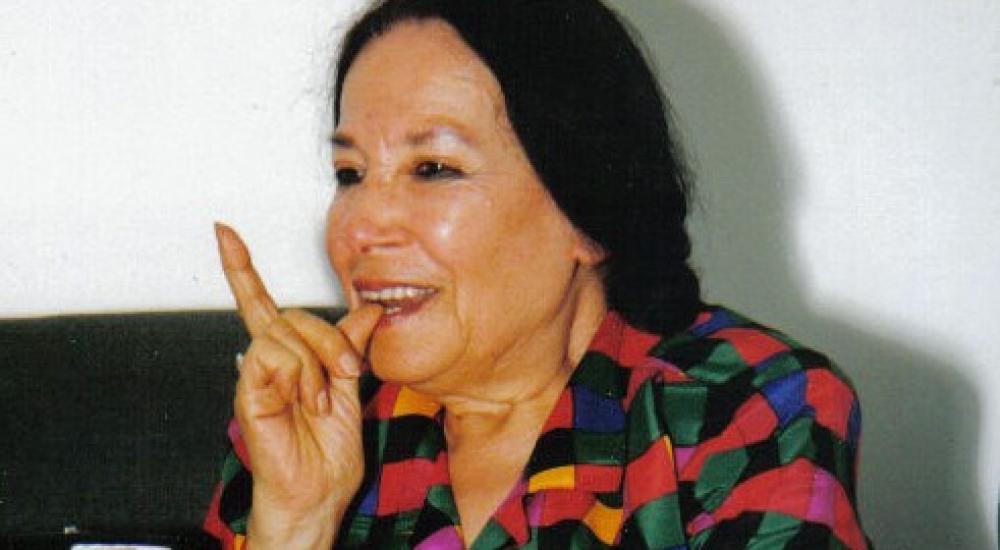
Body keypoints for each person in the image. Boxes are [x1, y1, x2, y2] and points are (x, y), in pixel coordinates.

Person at [204, 0, 870, 548]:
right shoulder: (309, 418)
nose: (360, 227)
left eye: (433, 169)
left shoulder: (740, 408)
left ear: (585, 214)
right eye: (350, 174)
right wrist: (297, 525)